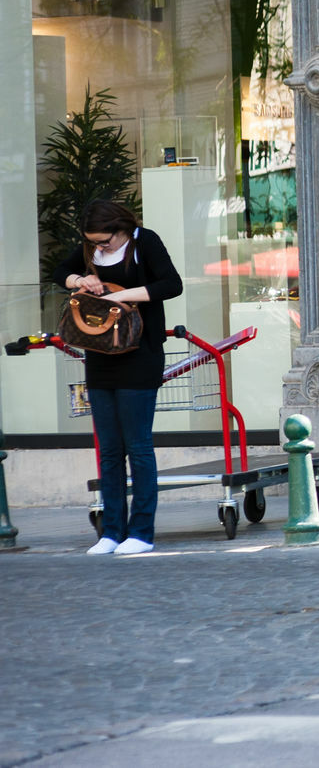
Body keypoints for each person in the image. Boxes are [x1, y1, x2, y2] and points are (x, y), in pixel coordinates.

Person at [57, 200, 183, 556]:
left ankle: (141, 533)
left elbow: (171, 285)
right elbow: (59, 272)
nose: (99, 248)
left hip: (140, 353)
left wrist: (119, 295)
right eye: (93, 242)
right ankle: (111, 532)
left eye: (104, 241)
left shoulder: (145, 242)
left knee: (138, 447)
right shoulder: (90, 248)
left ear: (121, 229)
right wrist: (81, 279)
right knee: (109, 450)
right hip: (100, 354)